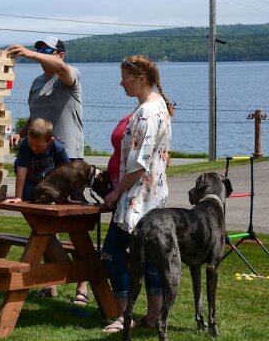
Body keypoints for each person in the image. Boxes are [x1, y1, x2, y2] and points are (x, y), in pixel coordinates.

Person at [5, 37, 88, 304]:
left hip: (68, 162)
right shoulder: (37, 83)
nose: (40, 54)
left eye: (46, 50)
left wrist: (30, 54)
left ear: (60, 55)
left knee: (75, 227)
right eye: (38, 48)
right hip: (40, 163)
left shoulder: (69, 75)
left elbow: (61, 68)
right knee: (43, 224)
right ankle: (51, 283)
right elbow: (35, 116)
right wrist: (21, 133)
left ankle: (83, 288)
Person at [100, 54, 174, 334]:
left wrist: (116, 191)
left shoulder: (145, 113)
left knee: (111, 253)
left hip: (137, 200)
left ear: (141, 79)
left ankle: (123, 315)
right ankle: (153, 317)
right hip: (155, 196)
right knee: (151, 256)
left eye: (125, 78)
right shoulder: (161, 108)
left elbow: (140, 163)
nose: (121, 83)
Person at [3, 118, 69, 203]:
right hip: (29, 179)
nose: (34, 148)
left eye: (39, 146)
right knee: (29, 195)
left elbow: (67, 171)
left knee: (53, 195)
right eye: (31, 144)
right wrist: (18, 197)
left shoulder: (57, 148)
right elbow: (21, 172)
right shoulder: (25, 145)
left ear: (50, 141)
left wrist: (66, 194)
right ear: (28, 137)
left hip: (47, 180)